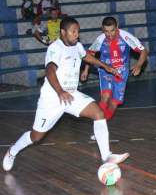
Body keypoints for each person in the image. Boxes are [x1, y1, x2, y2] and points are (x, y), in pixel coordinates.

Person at [3, 17, 129, 172]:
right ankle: (12, 151)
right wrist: (60, 91)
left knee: (98, 113)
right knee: (36, 137)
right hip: (52, 98)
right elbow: (50, 70)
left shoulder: (77, 46)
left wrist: (106, 67)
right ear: (63, 32)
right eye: (73, 31)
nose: (77, 34)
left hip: (71, 95)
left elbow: (87, 57)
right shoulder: (55, 48)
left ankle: (106, 156)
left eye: (78, 31)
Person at [81, 17, 148, 122]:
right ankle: (99, 125)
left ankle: (103, 124)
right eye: (106, 31)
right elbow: (90, 54)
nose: (109, 34)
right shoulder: (100, 39)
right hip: (106, 71)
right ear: (102, 29)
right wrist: (86, 70)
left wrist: (139, 65)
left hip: (121, 73)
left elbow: (143, 51)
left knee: (113, 103)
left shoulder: (125, 36)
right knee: (105, 97)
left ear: (117, 27)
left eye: (112, 30)